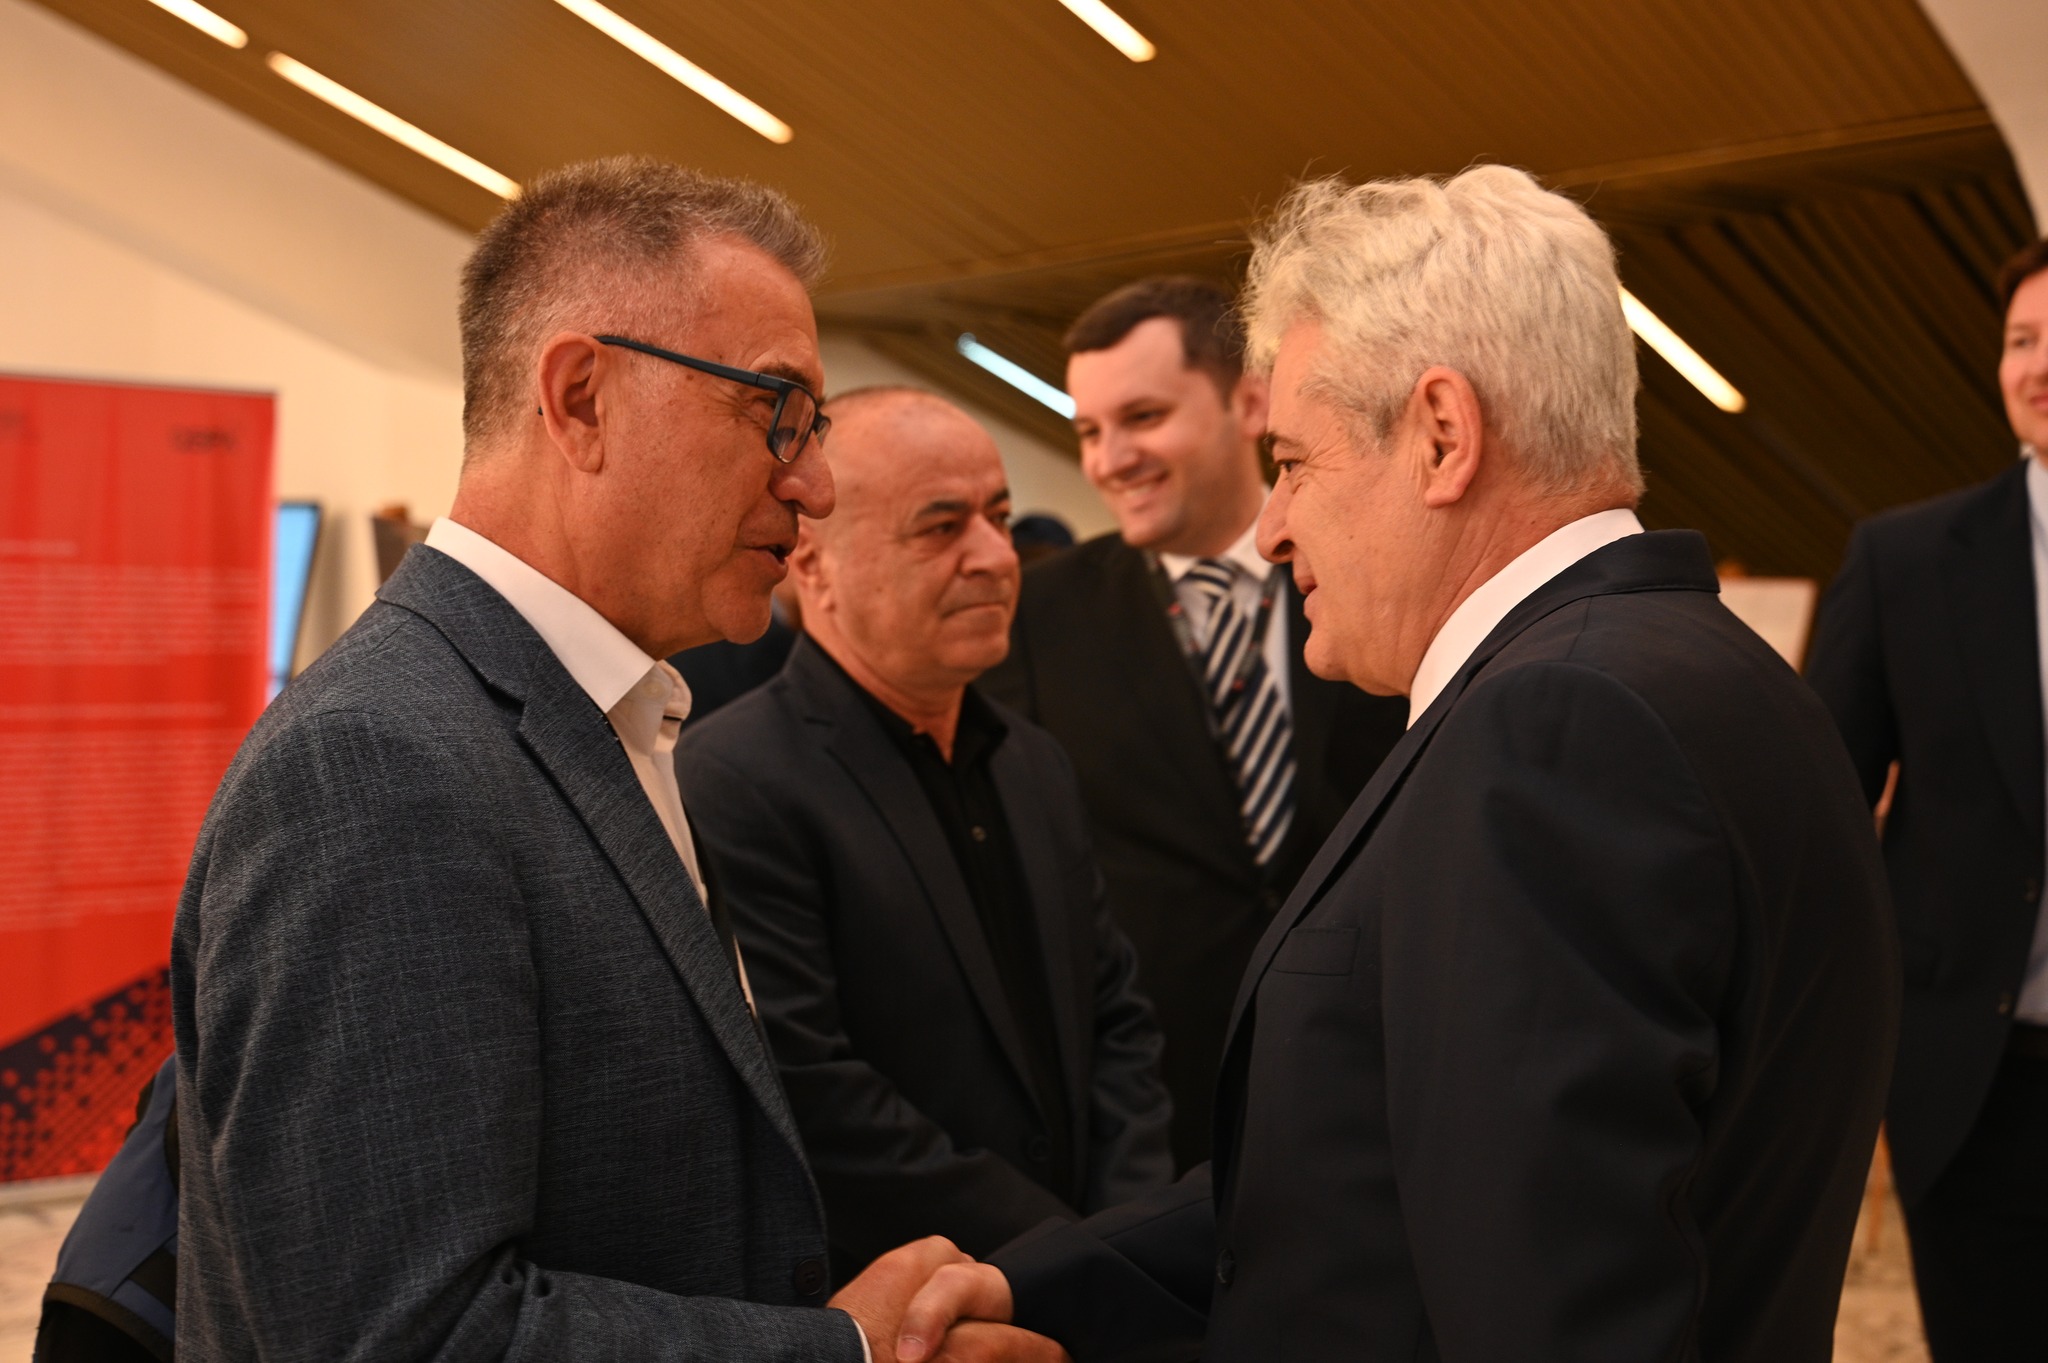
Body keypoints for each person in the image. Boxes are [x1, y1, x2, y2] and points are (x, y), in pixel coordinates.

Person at [894, 166, 1900, 1363]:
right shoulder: (1709, 670)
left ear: (1440, 435)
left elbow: (1555, 1307)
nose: (1273, 527)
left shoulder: (1551, 729)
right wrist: (1032, 1287)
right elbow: (1358, 1172)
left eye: (1292, 461)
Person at [168, 157, 1045, 1363]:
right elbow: (402, 1336)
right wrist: (839, 1351)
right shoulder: (380, 764)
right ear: (580, 398)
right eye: (774, 409)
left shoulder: (601, 717)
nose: (814, 482)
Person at [678, 387, 1174, 1285]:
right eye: (941, 528)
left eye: (999, 518)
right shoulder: (734, 779)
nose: (995, 557)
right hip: (909, 1299)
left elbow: (1114, 1017)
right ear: (815, 565)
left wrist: (1128, 1233)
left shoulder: (1032, 761)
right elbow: (815, 1093)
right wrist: (1074, 1259)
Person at [981, 277, 1407, 1169]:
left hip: (1379, 1078)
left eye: (1143, 417)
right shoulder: (1036, 618)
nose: (1111, 459)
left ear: (1250, 403)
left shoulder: (1381, 578)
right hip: (1165, 1119)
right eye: (1089, 431)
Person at [1805, 236, 2048, 1362]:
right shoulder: (1905, 562)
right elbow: (1815, 817)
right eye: (2019, 339)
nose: (2036, 365)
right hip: (1976, 1088)